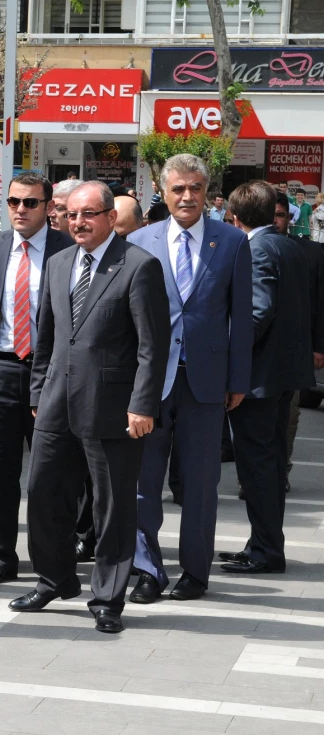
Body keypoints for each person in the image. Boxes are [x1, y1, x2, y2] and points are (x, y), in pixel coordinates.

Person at [12, 180, 169, 634]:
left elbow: (151, 347)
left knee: (112, 507)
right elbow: (46, 338)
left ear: (110, 219)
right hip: (56, 402)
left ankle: (107, 598)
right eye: (71, 214)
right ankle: (54, 578)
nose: (77, 222)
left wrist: (143, 405)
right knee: (43, 494)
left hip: (115, 407)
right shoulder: (60, 263)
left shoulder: (139, 266)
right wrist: (38, 394)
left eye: (88, 214)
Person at [127, 153, 252, 604]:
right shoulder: (139, 241)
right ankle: (147, 570)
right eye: (178, 188)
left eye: (195, 188)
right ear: (162, 191)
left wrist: (237, 379)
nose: (186, 196)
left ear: (208, 193)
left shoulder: (232, 243)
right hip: (150, 382)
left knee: (201, 484)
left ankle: (195, 573)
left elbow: (241, 317)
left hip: (206, 382)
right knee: (143, 483)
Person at [0, 172, 74, 586]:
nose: (20, 210)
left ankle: (52, 558)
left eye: (30, 203)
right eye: (13, 202)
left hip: (50, 373)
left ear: (49, 208)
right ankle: (1, 555)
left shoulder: (67, 248)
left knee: (53, 472)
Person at [218, 181, 314, 576]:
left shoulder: (255, 249)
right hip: (283, 373)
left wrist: (225, 357)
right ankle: (263, 543)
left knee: (257, 466)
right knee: (270, 463)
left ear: (235, 217)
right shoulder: (288, 245)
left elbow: (258, 313)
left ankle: (266, 550)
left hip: (259, 377)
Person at [274, 192, 324, 493]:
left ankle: (281, 470)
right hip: (253, 352)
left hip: (293, 351)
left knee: (288, 416)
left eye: (279, 215)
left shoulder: (310, 253)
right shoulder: (244, 248)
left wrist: (319, 346)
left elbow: (319, 302)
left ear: (289, 218)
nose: (275, 220)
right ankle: (250, 475)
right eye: (270, 214)